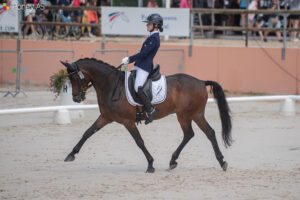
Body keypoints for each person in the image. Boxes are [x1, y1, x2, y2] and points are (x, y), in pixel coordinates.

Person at [121, 13, 163, 125]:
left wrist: (129, 59)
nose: (147, 25)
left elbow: (144, 54)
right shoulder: (151, 37)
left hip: (144, 67)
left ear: (156, 25)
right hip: (139, 65)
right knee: (127, 81)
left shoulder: (155, 38)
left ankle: (151, 110)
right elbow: (143, 53)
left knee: (138, 87)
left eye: (149, 23)